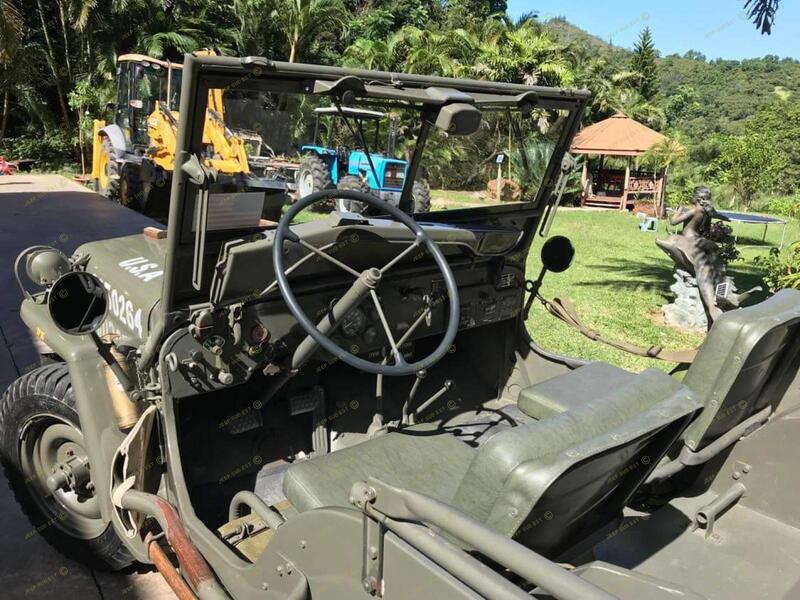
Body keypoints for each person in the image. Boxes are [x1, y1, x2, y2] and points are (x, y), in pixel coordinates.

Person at [656, 186, 728, 321]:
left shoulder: (694, 210)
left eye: (693, 195)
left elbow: (673, 222)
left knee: (669, 241)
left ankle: (711, 306)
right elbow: (706, 228)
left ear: (697, 198)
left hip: (689, 239)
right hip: (701, 240)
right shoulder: (707, 212)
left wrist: (677, 212)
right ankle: (715, 299)